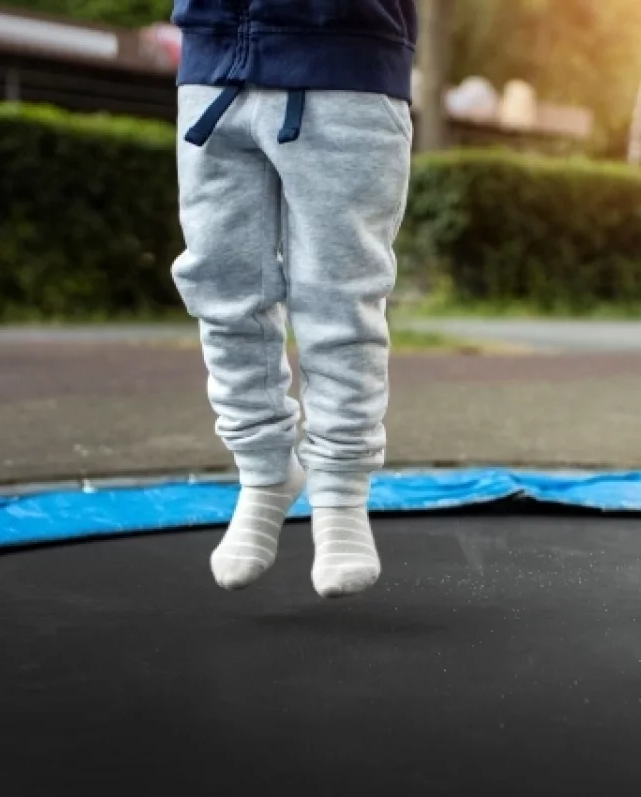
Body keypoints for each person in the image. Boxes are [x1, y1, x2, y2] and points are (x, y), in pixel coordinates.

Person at [170, 1, 418, 598]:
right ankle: (264, 472)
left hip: (346, 61)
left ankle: (340, 494)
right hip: (211, 58)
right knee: (220, 286)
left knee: (339, 297)